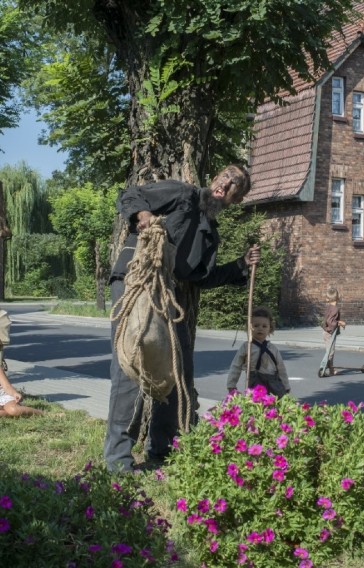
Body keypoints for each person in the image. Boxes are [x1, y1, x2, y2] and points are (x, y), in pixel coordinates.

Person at [105, 164, 260, 473]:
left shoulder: (210, 236)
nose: (227, 183)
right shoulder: (181, 194)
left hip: (168, 291)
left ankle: (162, 448)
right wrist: (143, 216)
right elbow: (131, 194)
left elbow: (201, 276)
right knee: (130, 362)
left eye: (236, 184)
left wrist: (241, 265)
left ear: (237, 198)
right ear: (215, 178)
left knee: (179, 368)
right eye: (226, 176)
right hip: (136, 279)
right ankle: (118, 461)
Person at [227, 307, 290, 396]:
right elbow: (236, 366)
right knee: (257, 402)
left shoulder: (273, 348)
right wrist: (231, 384)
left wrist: (286, 385)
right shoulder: (247, 346)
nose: (260, 328)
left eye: (264, 326)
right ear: (249, 328)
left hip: (273, 379)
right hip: (255, 379)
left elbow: (281, 368)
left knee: (281, 402)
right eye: (256, 326)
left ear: (270, 328)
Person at [321, 287, 346, 376]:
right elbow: (330, 321)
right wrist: (340, 322)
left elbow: (328, 319)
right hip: (329, 333)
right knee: (330, 352)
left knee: (330, 351)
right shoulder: (335, 309)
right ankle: (324, 368)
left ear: (328, 298)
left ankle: (331, 370)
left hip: (326, 332)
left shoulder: (329, 307)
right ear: (337, 297)